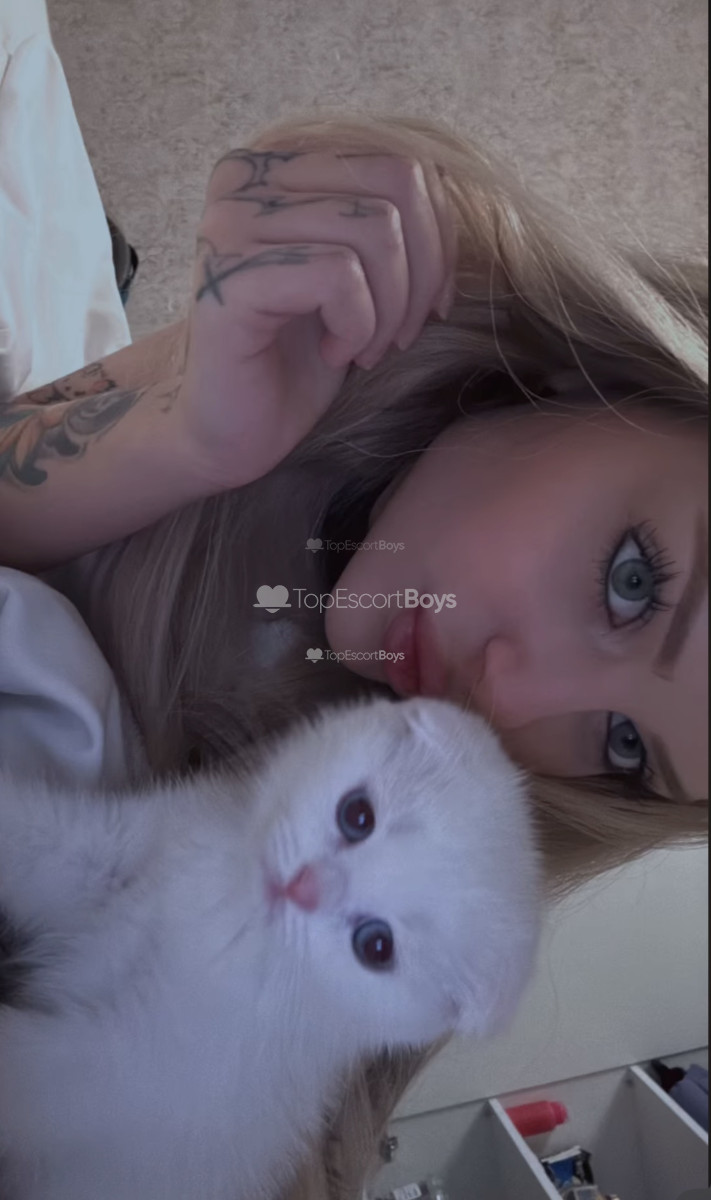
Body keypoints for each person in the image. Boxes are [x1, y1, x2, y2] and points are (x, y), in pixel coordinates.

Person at [0, 110, 707, 1199]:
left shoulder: (427, 911)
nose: (512, 696)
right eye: (630, 580)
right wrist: (184, 439)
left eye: (622, 745)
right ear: (605, 377)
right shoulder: (366, 335)